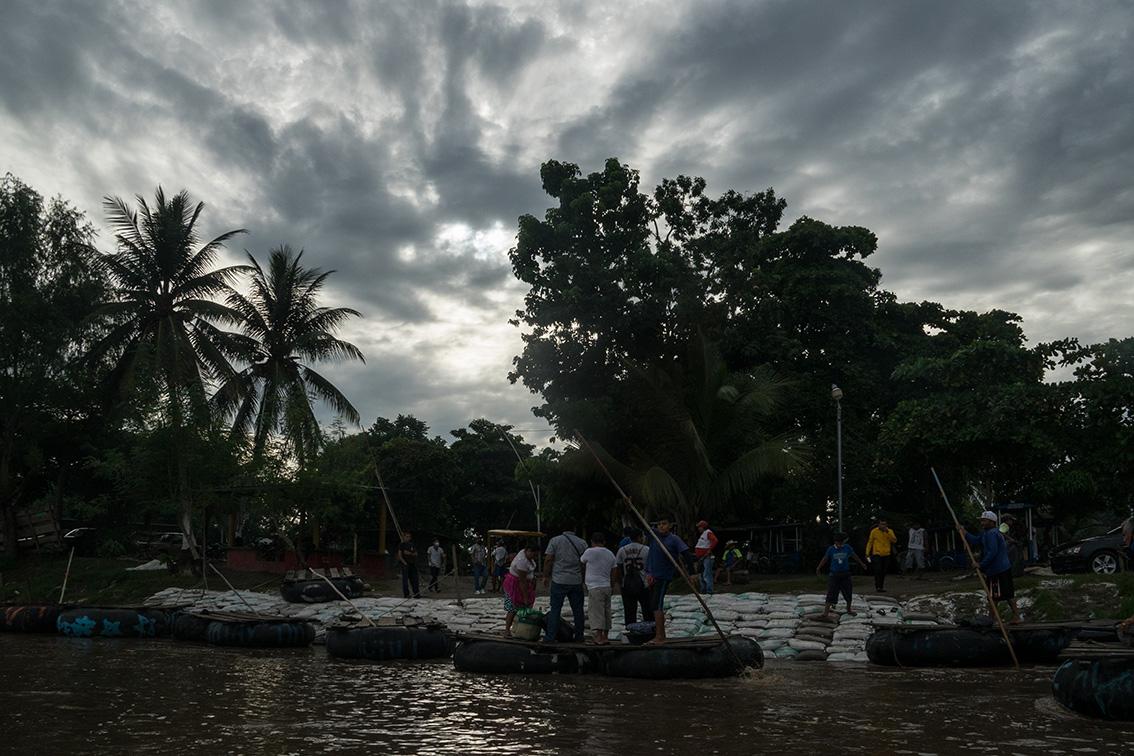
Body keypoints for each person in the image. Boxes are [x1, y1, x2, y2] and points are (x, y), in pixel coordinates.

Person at [958, 510, 1021, 623]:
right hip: (994, 571)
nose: (982, 522)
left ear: (992, 522)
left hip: (1000, 570)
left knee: (1005, 594)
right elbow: (976, 540)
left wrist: (980, 564)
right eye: (981, 520)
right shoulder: (985, 533)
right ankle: (992, 618)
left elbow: (992, 552)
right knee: (994, 595)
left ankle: (1013, 617)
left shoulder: (992, 533)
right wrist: (964, 532)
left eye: (984, 520)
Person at [644, 517, 690, 645]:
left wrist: (691, 573)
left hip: (663, 576)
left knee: (657, 605)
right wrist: (630, 509)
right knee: (653, 606)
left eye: (664, 523)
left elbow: (686, 554)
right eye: (659, 524)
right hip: (651, 576)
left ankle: (660, 637)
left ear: (670, 525)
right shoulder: (654, 536)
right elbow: (640, 523)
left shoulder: (673, 539)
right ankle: (659, 635)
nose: (661, 526)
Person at [542, 527, 588, 642]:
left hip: (559, 580)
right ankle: (579, 636)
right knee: (578, 610)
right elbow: (584, 563)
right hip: (576, 580)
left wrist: (545, 576)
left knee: (555, 609)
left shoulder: (555, 541)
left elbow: (548, 559)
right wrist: (583, 579)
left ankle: (550, 637)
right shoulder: (582, 542)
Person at [816, 531, 868, 618]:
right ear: (835, 542)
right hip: (834, 575)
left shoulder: (847, 548)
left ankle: (849, 609)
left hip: (845, 574)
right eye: (839, 543)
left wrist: (862, 564)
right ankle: (825, 612)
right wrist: (818, 567)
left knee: (848, 592)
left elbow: (854, 556)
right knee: (831, 593)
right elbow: (825, 558)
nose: (840, 544)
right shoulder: (831, 549)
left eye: (842, 543)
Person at [580, 532, 617, 645]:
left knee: (596, 612)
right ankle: (605, 636)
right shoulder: (610, 553)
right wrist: (612, 584)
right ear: (604, 542)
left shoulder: (589, 552)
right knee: (606, 612)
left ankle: (598, 638)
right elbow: (614, 570)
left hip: (594, 586)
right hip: (606, 586)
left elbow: (581, 562)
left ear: (592, 542)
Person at [614, 529, 651, 625]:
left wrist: (620, 582)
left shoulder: (622, 550)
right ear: (639, 537)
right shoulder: (646, 549)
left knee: (629, 612)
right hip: (644, 584)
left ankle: (631, 631)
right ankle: (649, 631)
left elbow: (619, 567)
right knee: (647, 610)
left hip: (627, 584)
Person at [502, 544, 538, 637]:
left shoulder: (526, 555)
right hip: (514, 585)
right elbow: (522, 582)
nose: (534, 556)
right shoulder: (522, 561)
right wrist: (525, 597)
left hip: (525, 584)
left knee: (526, 608)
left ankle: (521, 629)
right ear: (528, 551)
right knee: (513, 608)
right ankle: (507, 630)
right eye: (533, 554)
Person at [866, 519, 897, 592]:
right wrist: (867, 553)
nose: (883, 526)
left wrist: (888, 532)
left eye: (885, 524)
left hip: (886, 553)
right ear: (879, 525)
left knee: (883, 571)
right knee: (878, 569)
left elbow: (894, 540)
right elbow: (870, 542)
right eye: (882, 524)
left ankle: (881, 586)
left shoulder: (890, 531)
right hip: (877, 553)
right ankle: (878, 586)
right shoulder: (874, 531)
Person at [694, 520, 719, 595]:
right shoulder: (703, 534)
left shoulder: (708, 532)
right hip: (702, 557)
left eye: (700, 527)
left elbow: (715, 540)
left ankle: (709, 590)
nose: (699, 528)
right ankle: (703, 590)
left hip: (707, 557)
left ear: (703, 527)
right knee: (701, 574)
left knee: (706, 574)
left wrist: (709, 550)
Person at [396, 530, 421, 599]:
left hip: (413, 564)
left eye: (409, 537)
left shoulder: (412, 544)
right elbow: (400, 555)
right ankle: (406, 594)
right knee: (405, 581)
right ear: (404, 537)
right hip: (405, 564)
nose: (408, 538)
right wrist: (404, 563)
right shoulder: (401, 545)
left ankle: (416, 593)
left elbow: (416, 553)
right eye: (406, 536)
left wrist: (410, 553)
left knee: (415, 579)